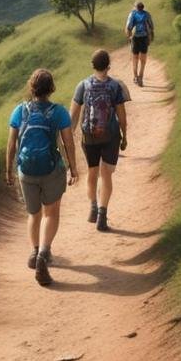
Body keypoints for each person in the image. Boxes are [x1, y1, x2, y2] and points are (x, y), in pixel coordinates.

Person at [5, 69, 79, 286]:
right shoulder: (59, 112)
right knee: (51, 213)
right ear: (51, 88)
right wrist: (73, 169)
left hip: (25, 171)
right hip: (51, 170)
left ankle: (33, 251)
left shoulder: (20, 110)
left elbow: (11, 144)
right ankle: (43, 254)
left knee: (33, 214)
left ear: (31, 87)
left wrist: (8, 171)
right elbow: (68, 143)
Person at [70, 50, 129, 232]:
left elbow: (73, 114)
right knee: (106, 175)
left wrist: (69, 137)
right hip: (110, 135)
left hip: (89, 137)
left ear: (92, 65)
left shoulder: (82, 85)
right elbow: (121, 114)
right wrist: (124, 135)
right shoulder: (115, 86)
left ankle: (93, 208)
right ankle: (102, 215)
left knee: (92, 172)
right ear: (108, 65)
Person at [125, 1, 154, 87]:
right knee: (143, 60)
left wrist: (129, 36)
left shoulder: (132, 14)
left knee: (135, 59)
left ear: (135, 7)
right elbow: (152, 26)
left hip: (135, 38)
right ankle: (141, 77)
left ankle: (135, 77)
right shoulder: (147, 14)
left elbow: (129, 26)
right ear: (142, 7)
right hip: (144, 38)